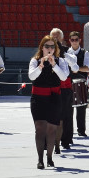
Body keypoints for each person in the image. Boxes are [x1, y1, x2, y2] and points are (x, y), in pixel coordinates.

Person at [28, 35, 68, 168]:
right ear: (42, 48)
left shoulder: (60, 61)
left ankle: (50, 157)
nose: (49, 49)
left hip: (54, 98)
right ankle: (40, 159)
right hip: (38, 98)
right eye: (47, 46)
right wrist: (41, 65)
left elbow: (63, 77)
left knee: (51, 129)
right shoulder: (35, 60)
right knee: (39, 128)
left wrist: (54, 65)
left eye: (52, 46)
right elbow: (31, 76)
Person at [49, 28, 74, 151]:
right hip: (51, 87)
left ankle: (66, 140)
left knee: (66, 115)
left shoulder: (67, 51)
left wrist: (64, 54)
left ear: (62, 38)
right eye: (53, 37)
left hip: (64, 87)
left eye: (57, 37)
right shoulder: (46, 50)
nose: (55, 39)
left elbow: (74, 65)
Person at [65, 30, 89, 137]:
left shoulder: (85, 53)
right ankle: (69, 131)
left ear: (80, 40)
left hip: (81, 81)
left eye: (76, 39)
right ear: (69, 40)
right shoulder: (66, 53)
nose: (74, 42)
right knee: (68, 109)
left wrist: (77, 68)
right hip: (68, 82)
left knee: (81, 108)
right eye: (72, 40)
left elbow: (87, 68)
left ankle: (81, 130)